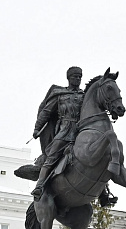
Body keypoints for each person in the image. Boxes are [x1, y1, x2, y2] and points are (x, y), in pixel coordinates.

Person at [31, 66, 85, 197]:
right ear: (68, 78)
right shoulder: (60, 95)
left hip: (81, 131)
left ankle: (104, 192)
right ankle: (40, 185)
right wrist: (37, 128)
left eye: (79, 77)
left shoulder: (85, 95)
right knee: (52, 157)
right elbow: (46, 112)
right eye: (75, 76)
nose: (78, 79)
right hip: (65, 130)